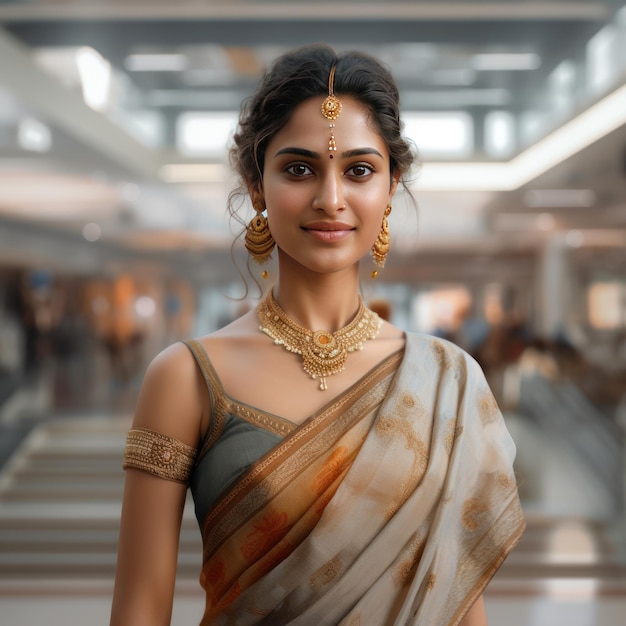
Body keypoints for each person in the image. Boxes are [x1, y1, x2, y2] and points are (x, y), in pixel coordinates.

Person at [110, 44, 525, 626]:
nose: (331, 200)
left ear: (389, 187)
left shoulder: (449, 380)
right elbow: (137, 612)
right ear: (256, 184)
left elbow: (459, 603)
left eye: (359, 170)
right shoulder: (185, 378)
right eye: (298, 169)